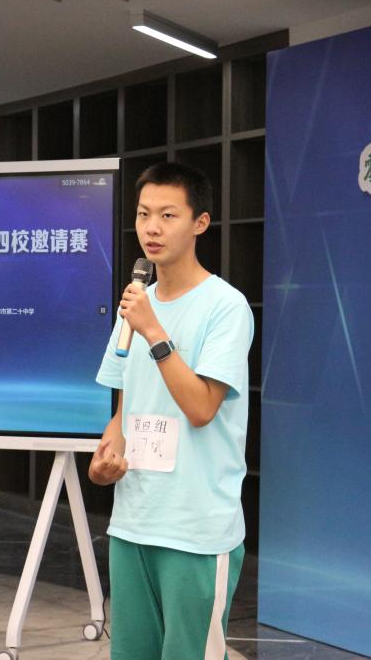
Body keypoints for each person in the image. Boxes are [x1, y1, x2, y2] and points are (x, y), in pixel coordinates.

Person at [89, 161, 254, 660]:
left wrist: (155, 331)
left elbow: (202, 408)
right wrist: (104, 460)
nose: (152, 228)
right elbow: (124, 410)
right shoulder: (135, 305)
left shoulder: (226, 306)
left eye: (167, 215)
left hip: (196, 529)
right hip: (133, 521)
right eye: (143, 214)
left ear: (200, 223)